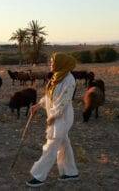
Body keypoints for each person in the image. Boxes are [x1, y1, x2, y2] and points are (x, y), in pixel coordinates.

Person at [26, 53, 79, 187]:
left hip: (62, 118)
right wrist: (38, 105)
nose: (50, 64)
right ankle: (71, 172)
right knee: (64, 144)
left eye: (52, 62)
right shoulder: (56, 77)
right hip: (56, 116)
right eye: (50, 61)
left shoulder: (69, 80)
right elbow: (49, 97)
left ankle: (39, 176)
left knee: (51, 146)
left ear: (61, 63)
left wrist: (51, 118)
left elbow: (62, 103)